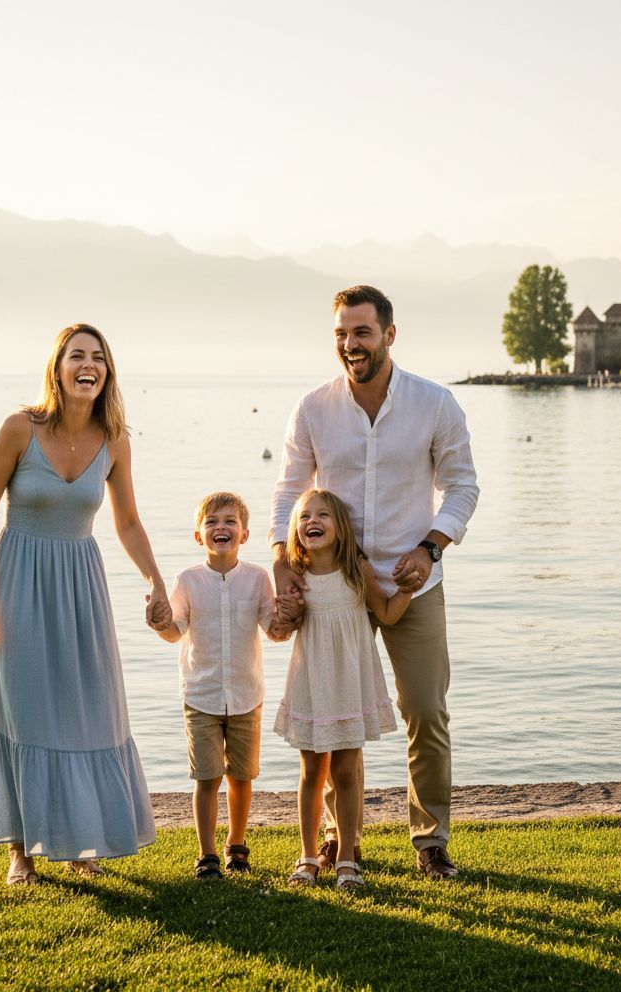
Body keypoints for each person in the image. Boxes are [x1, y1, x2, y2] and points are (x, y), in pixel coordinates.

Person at [269, 285, 479, 880]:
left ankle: (430, 840)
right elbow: (289, 491)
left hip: (413, 583)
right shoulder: (313, 408)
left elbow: (462, 486)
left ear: (389, 334)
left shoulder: (435, 404)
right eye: (340, 333)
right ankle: (339, 842)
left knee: (426, 711)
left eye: (360, 332)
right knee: (334, 719)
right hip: (334, 587)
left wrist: (430, 548)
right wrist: (282, 560)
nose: (349, 344)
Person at [0, 322, 169, 885]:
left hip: (81, 582)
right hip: (17, 581)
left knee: (88, 710)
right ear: (57, 368)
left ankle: (81, 837)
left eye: (98, 358)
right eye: (77, 356)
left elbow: (127, 522)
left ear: (107, 372)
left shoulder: (115, 439)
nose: (89, 365)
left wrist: (154, 579)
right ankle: (20, 853)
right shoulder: (18, 428)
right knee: (24, 711)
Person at [154, 492, 293, 880]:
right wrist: (159, 620)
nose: (221, 528)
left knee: (242, 776)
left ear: (245, 534)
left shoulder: (258, 578)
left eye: (230, 521)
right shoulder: (188, 581)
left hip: (247, 695)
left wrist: (289, 616)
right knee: (207, 778)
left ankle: (236, 844)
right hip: (201, 696)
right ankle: (207, 854)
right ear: (199, 536)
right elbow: (174, 632)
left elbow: (273, 629)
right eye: (212, 522)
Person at [275, 489, 407, 891]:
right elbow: (281, 628)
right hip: (312, 683)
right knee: (312, 772)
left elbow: (385, 612)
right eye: (304, 517)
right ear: (297, 531)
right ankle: (309, 856)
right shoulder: (296, 576)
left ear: (341, 526)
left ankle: (347, 858)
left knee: (346, 771)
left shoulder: (356, 570)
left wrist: (409, 589)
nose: (311, 522)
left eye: (322, 515)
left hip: (349, 684)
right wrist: (287, 610)